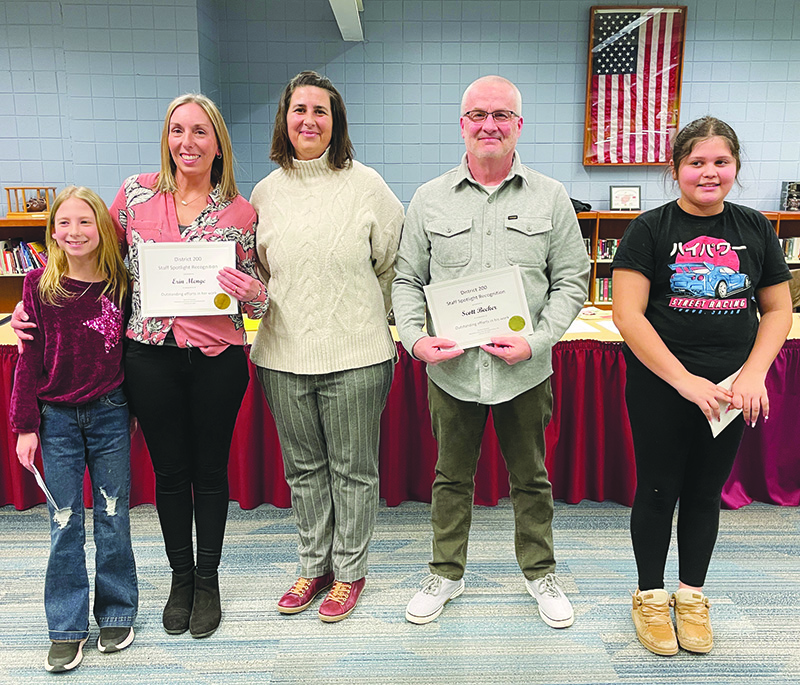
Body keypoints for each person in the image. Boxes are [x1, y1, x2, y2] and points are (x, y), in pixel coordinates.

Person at [12, 94, 269, 639]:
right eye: (177, 130)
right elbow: (88, 254)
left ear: (218, 143)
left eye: (199, 131)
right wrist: (32, 299)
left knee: (211, 473)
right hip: (149, 358)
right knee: (170, 474)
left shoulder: (241, 213)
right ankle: (181, 579)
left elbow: (257, 298)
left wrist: (254, 294)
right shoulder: (134, 195)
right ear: (166, 138)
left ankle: (208, 581)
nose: (187, 142)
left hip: (217, 359)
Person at [392, 75, 590, 627]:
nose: (489, 125)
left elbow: (572, 280)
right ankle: (445, 574)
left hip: (524, 371)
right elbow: (406, 280)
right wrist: (415, 340)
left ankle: (540, 573)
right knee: (450, 479)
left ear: (518, 125)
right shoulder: (429, 198)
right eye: (478, 115)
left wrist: (537, 341)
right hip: (452, 372)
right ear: (462, 125)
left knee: (532, 479)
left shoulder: (551, 197)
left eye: (501, 115)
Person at [611, 116, 793, 656]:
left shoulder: (755, 227)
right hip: (662, 384)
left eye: (721, 161)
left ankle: (691, 596)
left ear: (735, 167)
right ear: (675, 169)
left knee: (704, 493)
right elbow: (628, 315)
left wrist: (754, 373)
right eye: (696, 162)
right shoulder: (650, 228)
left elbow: (777, 309)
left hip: (731, 390)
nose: (709, 172)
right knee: (658, 489)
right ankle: (649, 595)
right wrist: (685, 381)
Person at [248, 71, 403, 622]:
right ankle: (314, 566)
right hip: (282, 357)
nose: (309, 120)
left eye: (321, 111)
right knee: (304, 471)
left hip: (357, 356)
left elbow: (393, 263)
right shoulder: (264, 194)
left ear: (336, 122)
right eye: (300, 110)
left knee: (353, 471)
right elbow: (262, 274)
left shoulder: (368, 186)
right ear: (284, 120)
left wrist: (366, 317)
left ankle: (350, 572)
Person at [10, 186, 137, 672]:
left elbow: (135, 349)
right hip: (56, 418)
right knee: (64, 522)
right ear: (52, 230)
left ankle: (117, 612)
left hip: (110, 412)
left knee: (113, 516)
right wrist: (24, 425)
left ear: (101, 227)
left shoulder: (121, 283)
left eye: (85, 221)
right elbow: (29, 358)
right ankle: (66, 627)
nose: (74, 232)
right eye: (64, 222)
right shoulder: (38, 284)